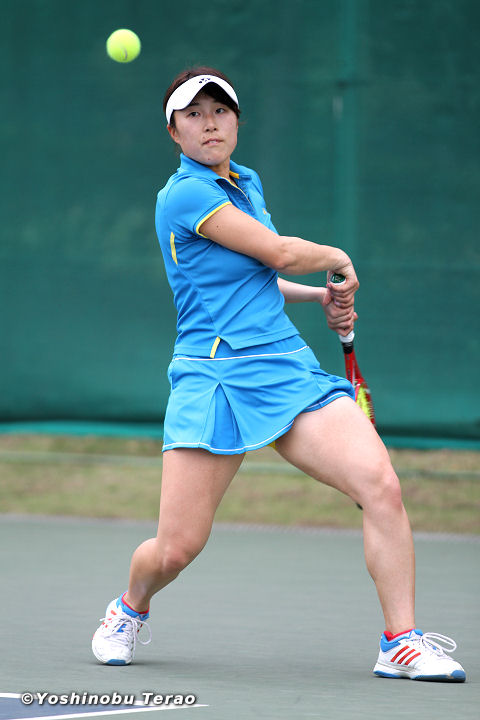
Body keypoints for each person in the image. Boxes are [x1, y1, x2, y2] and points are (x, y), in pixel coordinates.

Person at [91, 67, 466, 682]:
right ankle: (129, 608)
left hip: (285, 369)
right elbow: (281, 252)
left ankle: (400, 642)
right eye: (193, 115)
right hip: (213, 378)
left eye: (220, 111)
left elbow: (258, 277)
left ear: (237, 121)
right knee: (177, 548)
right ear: (174, 132)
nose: (210, 124)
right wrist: (337, 259)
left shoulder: (246, 183)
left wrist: (316, 297)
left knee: (381, 485)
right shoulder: (183, 196)